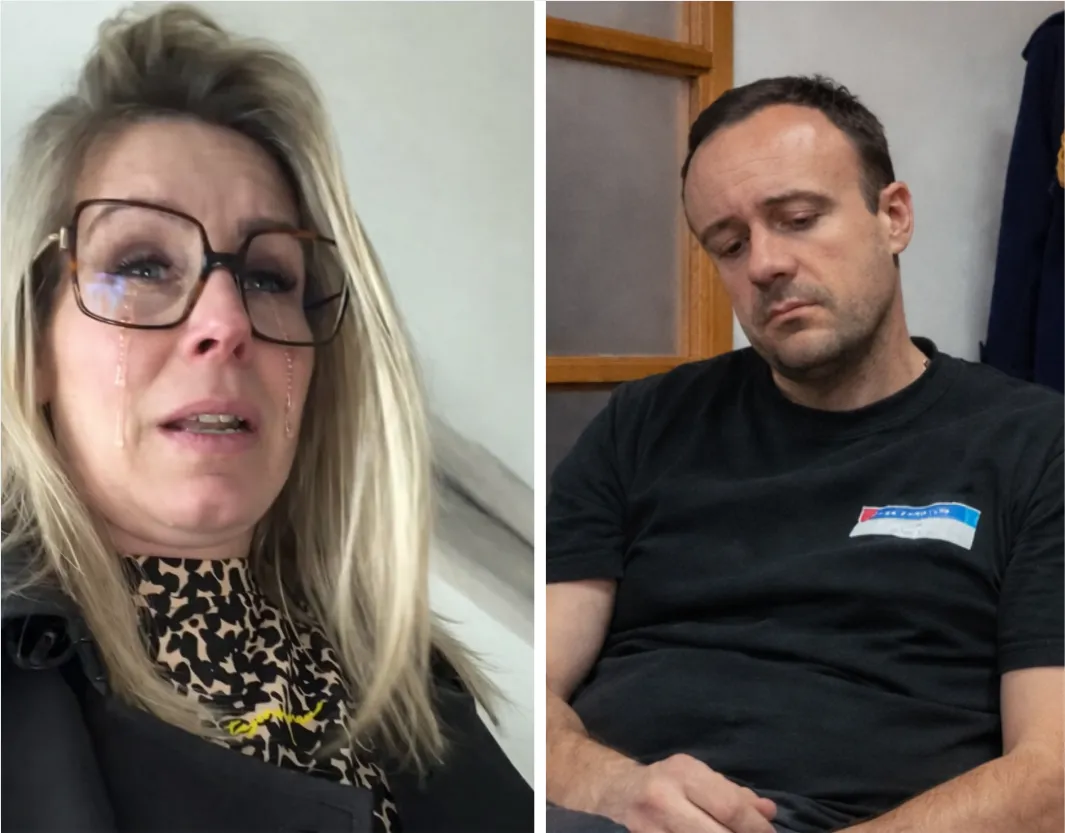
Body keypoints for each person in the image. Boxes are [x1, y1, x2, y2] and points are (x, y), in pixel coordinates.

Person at [0, 6, 531, 832]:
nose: (226, 321)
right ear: (33, 345)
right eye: (142, 263)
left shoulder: (408, 676)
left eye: (268, 276)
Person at [546, 75, 1063, 833]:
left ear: (893, 216)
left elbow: (1051, 774)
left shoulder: (1036, 445)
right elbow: (527, 683)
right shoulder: (644, 422)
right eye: (729, 244)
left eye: (797, 219)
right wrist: (610, 785)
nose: (763, 264)